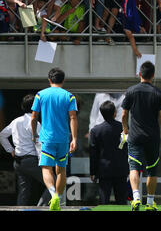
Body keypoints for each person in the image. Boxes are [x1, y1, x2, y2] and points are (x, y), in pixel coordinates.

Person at [121, 61, 161, 211]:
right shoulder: (158, 93)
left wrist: (125, 129)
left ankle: (136, 198)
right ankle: (149, 202)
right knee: (152, 170)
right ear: (153, 76)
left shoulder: (131, 91)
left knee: (134, 167)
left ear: (139, 74)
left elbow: (123, 114)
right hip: (152, 137)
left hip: (135, 136)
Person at [31, 67, 78, 211]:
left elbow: (33, 118)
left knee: (46, 168)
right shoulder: (69, 96)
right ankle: (58, 196)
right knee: (61, 170)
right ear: (63, 80)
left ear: (49, 80)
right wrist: (74, 138)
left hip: (47, 139)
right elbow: (73, 117)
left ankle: (53, 195)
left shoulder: (40, 95)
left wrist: (34, 134)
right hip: (63, 139)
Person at [0, 94, 51, 206]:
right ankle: (41, 207)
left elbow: (2, 135)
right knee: (53, 183)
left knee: (24, 190)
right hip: (31, 160)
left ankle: (20, 209)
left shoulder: (16, 121)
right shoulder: (36, 124)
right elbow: (39, 144)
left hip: (18, 162)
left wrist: (10, 150)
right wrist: (43, 161)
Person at [89, 100, 129, 205]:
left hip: (104, 170)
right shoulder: (123, 128)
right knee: (121, 201)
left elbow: (93, 153)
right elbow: (126, 146)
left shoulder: (95, 131)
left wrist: (93, 171)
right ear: (115, 113)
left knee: (104, 200)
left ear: (101, 114)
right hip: (121, 169)